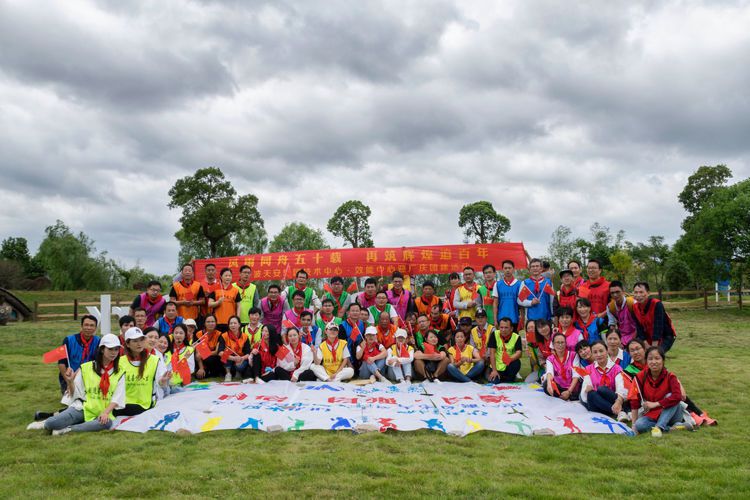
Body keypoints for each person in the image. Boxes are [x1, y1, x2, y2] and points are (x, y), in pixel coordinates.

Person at [28, 334, 125, 434]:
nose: (114, 353)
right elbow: (75, 393)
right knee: (51, 424)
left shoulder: (120, 372)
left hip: (103, 411)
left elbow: (117, 398)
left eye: (116, 349)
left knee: (106, 423)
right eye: (110, 349)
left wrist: (105, 413)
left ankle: (68, 429)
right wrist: (70, 381)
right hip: (82, 408)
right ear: (102, 349)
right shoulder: (86, 368)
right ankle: (46, 423)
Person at [630, 347, 692, 436]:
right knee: (639, 425)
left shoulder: (671, 376)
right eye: (650, 359)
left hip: (673, 414)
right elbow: (634, 401)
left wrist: (656, 404)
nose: (654, 362)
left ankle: (659, 427)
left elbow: (678, 396)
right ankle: (672, 428)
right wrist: (633, 425)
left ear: (663, 360)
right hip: (653, 415)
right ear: (646, 361)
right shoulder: (640, 377)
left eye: (657, 358)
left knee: (670, 395)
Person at [114, 327, 169, 416]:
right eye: (135, 341)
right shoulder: (120, 361)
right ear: (127, 344)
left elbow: (160, 383)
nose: (139, 344)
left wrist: (163, 381)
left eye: (141, 340)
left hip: (145, 404)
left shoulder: (154, 360)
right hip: (123, 403)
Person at [579, 340, 628, 420]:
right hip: (597, 405)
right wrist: (586, 390)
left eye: (601, 351)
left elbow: (621, 387)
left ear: (607, 351)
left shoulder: (616, 368)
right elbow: (584, 397)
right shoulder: (588, 369)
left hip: (615, 402)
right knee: (591, 393)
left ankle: (616, 410)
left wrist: (618, 401)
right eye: (595, 352)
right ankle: (620, 412)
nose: (599, 355)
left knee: (602, 389)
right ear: (592, 354)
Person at [57, 315, 101, 395]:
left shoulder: (98, 341)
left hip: (88, 377)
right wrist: (69, 382)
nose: (88, 328)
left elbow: (97, 362)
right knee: (70, 401)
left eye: (92, 325)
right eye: (86, 325)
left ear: (95, 328)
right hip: (68, 376)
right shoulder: (68, 340)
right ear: (81, 326)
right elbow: (61, 363)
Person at [632, 282, 676, 352]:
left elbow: (658, 327)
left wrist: (653, 347)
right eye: (636, 292)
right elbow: (639, 328)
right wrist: (646, 344)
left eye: (641, 292)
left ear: (648, 293)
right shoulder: (634, 307)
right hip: (647, 336)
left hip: (665, 336)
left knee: (656, 354)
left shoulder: (657, 304)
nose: (638, 295)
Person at [544, 333, 581, 400]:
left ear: (566, 343)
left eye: (562, 342)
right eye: (557, 343)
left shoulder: (574, 355)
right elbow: (549, 372)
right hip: (559, 387)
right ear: (553, 344)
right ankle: (563, 396)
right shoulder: (550, 359)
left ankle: (568, 395)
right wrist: (549, 384)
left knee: (577, 391)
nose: (560, 345)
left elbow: (576, 375)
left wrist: (569, 391)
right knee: (546, 384)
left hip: (572, 388)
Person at [487, 317, 522, 383]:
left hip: (508, 364)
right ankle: (501, 377)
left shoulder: (516, 337)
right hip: (497, 366)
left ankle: (510, 378)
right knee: (494, 382)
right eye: (501, 327)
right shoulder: (494, 334)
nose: (503, 330)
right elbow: (492, 353)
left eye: (506, 327)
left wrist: (510, 359)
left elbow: (519, 352)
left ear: (511, 329)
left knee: (517, 363)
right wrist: (494, 370)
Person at [218, 316, 251, 382]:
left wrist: (242, 358)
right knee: (226, 352)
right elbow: (220, 352)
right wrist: (233, 358)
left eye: (235, 323)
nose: (233, 325)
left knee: (240, 366)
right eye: (231, 323)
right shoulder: (224, 335)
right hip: (229, 358)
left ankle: (238, 372)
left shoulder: (245, 336)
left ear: (239, 325)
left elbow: (248, 353)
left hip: (240, 358)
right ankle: (228, 373)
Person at [164, 324, 195, 393]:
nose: (178, 335)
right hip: (166, 383)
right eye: (176, 333)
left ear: (185, 335)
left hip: (181, 384)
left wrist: (183, 363)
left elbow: (191, 369)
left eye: (181, 333)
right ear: (173, 334)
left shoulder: (189, 350)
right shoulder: (167, 348)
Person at [493, 260, 522, 330]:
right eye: (505, 268)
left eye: (509, 268)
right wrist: (495, 320)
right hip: (501, 319)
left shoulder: (520, 284)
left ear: (513, 269)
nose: (507, 270)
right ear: (502, 269)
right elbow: (495, 303)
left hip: (515, 318)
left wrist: (522, 318)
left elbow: (522, 304)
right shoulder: (497, 284)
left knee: (514, 339)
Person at [607, 281, 637, 346]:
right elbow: (612, 325)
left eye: (617, 292)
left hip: (636, 334)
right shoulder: (610, 307)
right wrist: (615, 340)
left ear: (623, 291)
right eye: (612, 293)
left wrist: (632, 341)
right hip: (622, 337)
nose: (615, 295)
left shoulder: (633, 303)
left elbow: (639, 325)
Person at [195, 314, 224, 379]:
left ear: (216, 323)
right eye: (208, 322)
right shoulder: (198, 334)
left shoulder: (219, 334)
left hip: (214, 359)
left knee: (213, 360)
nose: (210, 324)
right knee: (199, 376)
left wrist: (204, 354)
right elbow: (197, 354)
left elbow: (216, 352)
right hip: (202, 360)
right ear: (204, 323)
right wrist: (201, 368)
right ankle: (204, 369)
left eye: (212, 322)